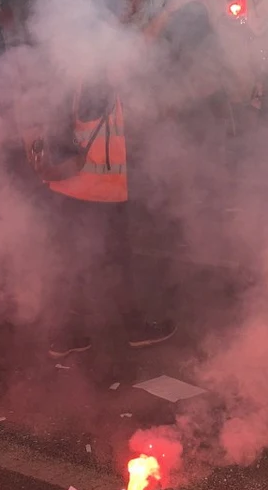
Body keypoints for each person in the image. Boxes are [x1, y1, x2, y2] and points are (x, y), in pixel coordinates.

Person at [31, 67, 176, 358]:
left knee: (74, 264)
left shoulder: (69, 76)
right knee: (117, 262)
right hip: (99, 189)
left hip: (68, 188)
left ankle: (66, 335)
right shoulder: (96, 78)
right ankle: (135, 328)